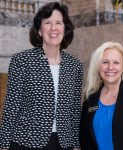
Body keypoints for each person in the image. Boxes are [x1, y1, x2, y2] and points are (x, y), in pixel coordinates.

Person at [0, 2, 83, 150]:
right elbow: (12, 107)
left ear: (65, 28)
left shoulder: (74, 65)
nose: (53, 28)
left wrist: (76, 144)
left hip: (64, 143)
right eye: (47, 23)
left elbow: (75, 111)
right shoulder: (22, 61)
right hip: (26, 142)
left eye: (58, 23)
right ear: (39, 30)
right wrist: (4, 144)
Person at [80, 41, 123, 150]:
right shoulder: (90, 97)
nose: (110, 67)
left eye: (116, 62)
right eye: (105, 62)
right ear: (98, 66)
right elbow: (84, 138)